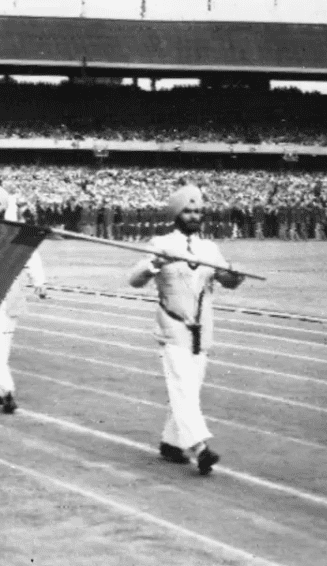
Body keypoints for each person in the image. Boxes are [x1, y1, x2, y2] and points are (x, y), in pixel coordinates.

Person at [128, 184, 245, 475]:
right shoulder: (161, 242)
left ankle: (170, 443)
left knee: (188, 391)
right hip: (173, 326)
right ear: (177, 214)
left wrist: (234, 274)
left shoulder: (209, 248)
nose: (195, 215)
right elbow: (134, 279)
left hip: (202, 330)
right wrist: (155, 263)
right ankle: (199, 448)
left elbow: (226, 280)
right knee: (182, 387)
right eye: (189, 211)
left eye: (198, 211)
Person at [0, 183, 46, 414]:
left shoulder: (18, 231)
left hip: (11, 297)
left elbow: (32, 258)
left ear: (6, 205)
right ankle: (5, 388)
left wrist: (39, 283)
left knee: (1, 347)